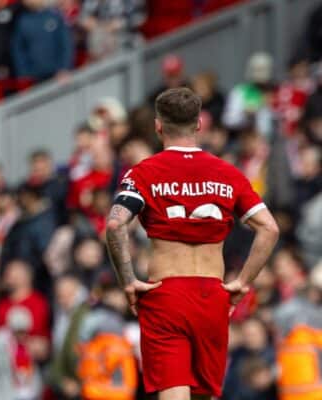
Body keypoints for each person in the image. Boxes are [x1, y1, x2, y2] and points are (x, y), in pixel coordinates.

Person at [105, 88, 279, 400]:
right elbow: (269, 228)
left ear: (159, 126)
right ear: (199, 124)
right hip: (213, 296)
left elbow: (116, 224)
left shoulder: (143, 173)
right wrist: (242, 282)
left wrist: (128, 281)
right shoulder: (228, 173)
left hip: (166, 294)